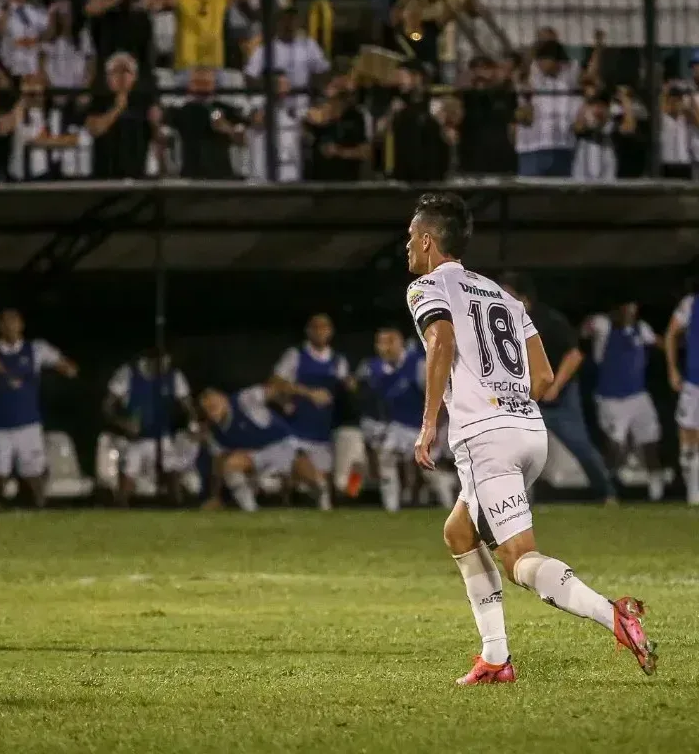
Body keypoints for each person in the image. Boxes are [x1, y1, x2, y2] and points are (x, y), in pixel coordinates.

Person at [404, 192, 656, 685]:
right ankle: (496, 660)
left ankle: (615, 616)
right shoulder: (502, 294)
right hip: (528, 429)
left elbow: (442, 340)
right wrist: (511, 408)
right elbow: (542, 375)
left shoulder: (426, 288)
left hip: (487, 436)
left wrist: (430, 420)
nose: (407, 247)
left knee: (518, 558)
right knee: (459, 533)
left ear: (430, 241)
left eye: (411, 238)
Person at [499, 271, 617, 505]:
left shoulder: (547, 319)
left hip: (559, 397)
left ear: (522, 297)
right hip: (526, 397)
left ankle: (607, 492)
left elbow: (574, 355)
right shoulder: (503, 323)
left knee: (580, 445)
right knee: (514, 450)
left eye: (506, 293)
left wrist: (554, 387)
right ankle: (518, 502)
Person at [0, 308, 78, 508]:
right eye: (6, 322)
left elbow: (66, 367)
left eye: (14, 321)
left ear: (21, 325)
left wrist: (66, 368)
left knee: (33, 470)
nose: (10, 326)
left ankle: (39, 506)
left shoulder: (35, 349)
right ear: (0, 326)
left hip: (27, 422)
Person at [582, 303, 664, 501]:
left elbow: (660, 342)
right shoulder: (604, 325)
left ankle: (657, 490)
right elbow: (586, 329)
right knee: (616, 448)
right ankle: (608, 487)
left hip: (638, 396)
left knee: (650, 443)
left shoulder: (641, 329)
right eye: (626, 309)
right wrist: (587, 328)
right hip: (611, 399)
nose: (629, 313)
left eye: (633, 309)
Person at [198, 384, 324, 512]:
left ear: (224, 399)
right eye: (207, 408)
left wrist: (309, 394)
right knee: (231, 465)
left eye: (213, 405)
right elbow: (219, 465)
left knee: (312, 480)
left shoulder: (244, 400)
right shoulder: (215, 434)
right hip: (256, 455)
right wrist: (217, 497)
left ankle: (322, 503)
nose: (211, 410)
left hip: (281, 444)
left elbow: (276, 388)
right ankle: (251, 511)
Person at [269, 313, 347, 509]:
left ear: (331, 332)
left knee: (331, 483)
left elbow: (345, 391)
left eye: (324, 327)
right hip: (296, 430)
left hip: (323, 433)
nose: (320, 331)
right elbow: (275, 383)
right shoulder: (295, 355)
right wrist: (307, 393)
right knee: (289, 475)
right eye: (316, 327)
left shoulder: (338, 361)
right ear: (308, 331)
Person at [104, 348, 198, 506]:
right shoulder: (128, 374)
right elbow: (107, 407)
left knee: (171, 470)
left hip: (163, 435)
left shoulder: (174, 377)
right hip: (135, 439)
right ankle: (120, 509)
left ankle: (177, 508)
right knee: (129, 471)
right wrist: (123, 423)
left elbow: (188, 407)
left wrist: (193, 425)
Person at [356, 327, 426, 512]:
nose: (386, 347)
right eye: (381, 342)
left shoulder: (418, 363)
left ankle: (445, 504)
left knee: (431, 475)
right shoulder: (370, 368)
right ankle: (391, 507)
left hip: (419, 426)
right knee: (386, 456)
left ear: (401, 342)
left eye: (391, 341)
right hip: (389, 428)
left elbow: (438, 398)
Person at [664, 283, 699, 506]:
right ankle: (693, 494)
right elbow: (671, 334)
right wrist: (672, 369)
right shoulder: (691, 303)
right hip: (694, 382)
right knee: (689, 438)